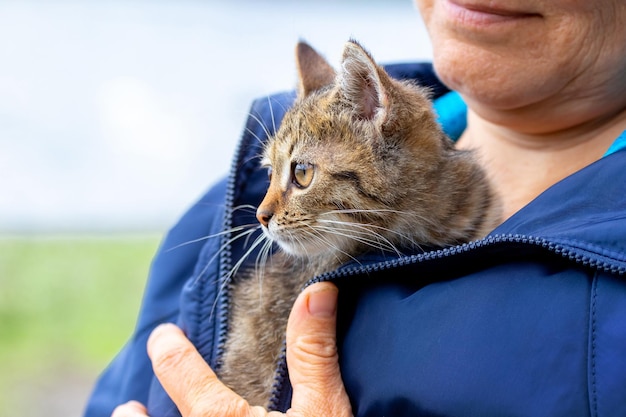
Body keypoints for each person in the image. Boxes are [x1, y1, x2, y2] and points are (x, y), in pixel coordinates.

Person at [86, 0, 626, 416]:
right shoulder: (228, 200)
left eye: (297, 175)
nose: (265, 213)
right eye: (280, 175)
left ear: (375, 109)